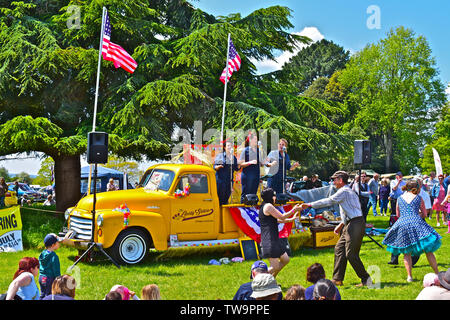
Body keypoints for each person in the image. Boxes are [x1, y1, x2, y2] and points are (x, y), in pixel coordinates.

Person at [300, 171, 372, 287]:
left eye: (334, 179)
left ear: (340, 180)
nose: (333, 182)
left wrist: (309, 205)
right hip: (351, 223)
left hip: (355, 224)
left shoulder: (344, 191)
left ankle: (366, 279)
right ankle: (337, 279)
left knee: (351, 255)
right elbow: (347, 210)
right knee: (339, 249)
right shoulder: (345, 191)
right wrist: (341, 224)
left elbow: (329, 201)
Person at [382, 180, 441, 282]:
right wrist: (417, 216)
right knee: (428, 250)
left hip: (402, 223)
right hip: (416, 222)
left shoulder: (399, 198)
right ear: (417, 188)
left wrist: (406, 217)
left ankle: (409, 276)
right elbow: (424, 214)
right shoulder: (419, 198)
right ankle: (437, 273)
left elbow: (398, 215)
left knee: (406, 252)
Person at [259, 188, 301, 277]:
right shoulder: (268, 206)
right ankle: (258, 278)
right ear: (270, 197)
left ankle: (271, 279)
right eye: (273, 196)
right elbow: (282, 217)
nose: (275, 198)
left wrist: (291, 219)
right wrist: (294, 209)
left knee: (285, 260)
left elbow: (277, 220)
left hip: (274, 239)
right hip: (269, 240)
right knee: (274, 267)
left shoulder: (266, 206)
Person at [238, 133, 262, 203]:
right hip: (247, 176)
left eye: (257, 139)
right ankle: (243, 211)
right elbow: (241, 164)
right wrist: (250, 162)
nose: (256, 141)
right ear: (250, 140)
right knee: (246, 196)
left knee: (253, 195)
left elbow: (260, 162)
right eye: (255, 139)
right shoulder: (246, 150)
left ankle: (252, 211)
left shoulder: (258, 150)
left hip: (256, 175)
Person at [213, 140, 239, 205]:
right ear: (224, 147)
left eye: (231, 146)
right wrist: (218, 167)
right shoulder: (220, 156)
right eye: (228, 146)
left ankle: (224, 212)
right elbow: (215, 167)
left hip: (229, 181)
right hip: (220, 181)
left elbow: (236, 168)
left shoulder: (233, 158)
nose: (230, 147)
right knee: (220, 198)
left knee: (226, 198)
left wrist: (241, 165)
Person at [39, 233, 62, 298]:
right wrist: (59, 280)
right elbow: (56, 270)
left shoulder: (42, 254)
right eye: (58, 242)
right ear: (53, 245)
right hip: (50, 279)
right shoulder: (54, 257)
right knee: (49, 296)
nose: (59, 244)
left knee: (42, 294)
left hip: (41, 277)